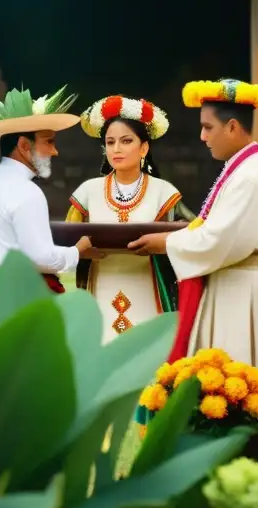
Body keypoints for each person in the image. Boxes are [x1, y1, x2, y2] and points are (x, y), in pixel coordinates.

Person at [129, 79, 258, 386]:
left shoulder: (252, 176)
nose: (202, 137)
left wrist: (166, 242)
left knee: (237, 384)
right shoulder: (243, 169)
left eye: (208, 127)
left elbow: (220, 240)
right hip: (236, 284)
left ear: (232, 127)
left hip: (246, 292)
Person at [0, 86, 95, 331]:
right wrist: (78, 251)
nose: (55, 151)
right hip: (18, 300)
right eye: (48, 142)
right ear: (23, 145)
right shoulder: (27, 191)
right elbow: (40, 257)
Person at [65, 96, 195, 343]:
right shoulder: (87, 192)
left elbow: (195, 232)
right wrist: (80, 250)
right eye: (110, 142)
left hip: (148, 286)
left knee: (148, 355)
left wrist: (164, 241)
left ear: (144, 148)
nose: (116, 149)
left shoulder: (164, 192)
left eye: (126, 141)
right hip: (102, 283)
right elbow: (67, 239)